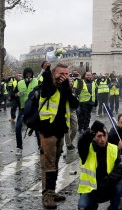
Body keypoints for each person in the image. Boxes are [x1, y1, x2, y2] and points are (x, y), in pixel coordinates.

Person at [39, 62, 79, 208]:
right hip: (47, 129)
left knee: (54, 163)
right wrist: (48, 72)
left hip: (61, 130)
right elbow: (47, 91)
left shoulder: (65, 88)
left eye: (66, 74)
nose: (64, 76)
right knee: (48, 164)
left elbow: (75, 104)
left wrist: (67, 88)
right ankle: (47, 196)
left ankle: (52, 190)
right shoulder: (48, 85)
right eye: (61, 73)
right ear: (54, 73)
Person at [77, 121, 122, 210]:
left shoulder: (114, 148)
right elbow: (82, 142)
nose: (102, 139)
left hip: (108, 187)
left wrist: (106, 181)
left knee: (120, 185)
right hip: (90, 190)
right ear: (94, 138)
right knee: (82, 207)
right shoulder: (87, 150)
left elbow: (120, 169)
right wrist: (91, 131)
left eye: (104, 135)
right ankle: (93, 204)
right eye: (99, 136)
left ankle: (113, 207)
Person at [15, 67, 39, 156]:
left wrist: (38, 94)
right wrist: (17, 94)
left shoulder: (36, 81)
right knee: (18, 127)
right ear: (24, 74)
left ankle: (40, 146)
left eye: (30, 74)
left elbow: (42, 91)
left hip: (34, 109)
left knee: (37, 128)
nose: (28, 76)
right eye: (27, 74)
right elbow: (13, 94)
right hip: (23, 109)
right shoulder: (20, 83)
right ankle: (19, 147)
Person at [75, 71, 97, 135]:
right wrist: (79, 81)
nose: (89, 76)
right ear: (85, 76)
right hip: (83, 102)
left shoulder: (93, 83)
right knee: (82, 116)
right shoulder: (82, 82)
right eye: (87, 75)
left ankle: (86, 127)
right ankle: (80, 128)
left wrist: (96, 101)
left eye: (90, 75)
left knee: (88, 116)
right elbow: (77, 91)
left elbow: (95, 93)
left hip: (91, 102)